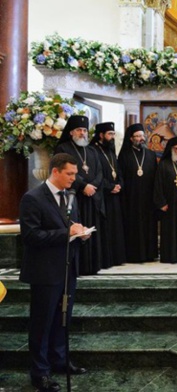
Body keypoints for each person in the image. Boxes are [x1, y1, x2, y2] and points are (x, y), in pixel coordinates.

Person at [19, 153, 89, 392]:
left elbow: (70, 228)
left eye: (75, 173)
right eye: (70, 173)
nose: (74, 178)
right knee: (43, 322)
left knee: (63, 319)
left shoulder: (70, 197)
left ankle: (59, 360)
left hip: (67, 269)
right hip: (45, 272)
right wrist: (67, 234)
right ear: (56, 171)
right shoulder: (33, 198)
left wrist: (81, 234)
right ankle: (40, 372)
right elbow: (30, 236)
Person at [54, 115, 103, 275]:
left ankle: (92, 266)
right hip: (73, 196)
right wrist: (84, 186)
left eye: (84, 130)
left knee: (91, 230)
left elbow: (100, 172)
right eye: (79, 130)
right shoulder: (63, 149)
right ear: (71, 132)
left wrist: (93, 186)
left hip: (92, 197)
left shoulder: (92, 150)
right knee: (76, 229)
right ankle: (79, 267)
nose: (82, 133)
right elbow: (63, 172)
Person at [117, 123, 159, 263]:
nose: (141, 138)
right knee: (133, 226)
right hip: (131, 198)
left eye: (142, 136)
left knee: (148, 225)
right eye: (137, 136)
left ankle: (150, 253)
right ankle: (134, 255)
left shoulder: (151, 154)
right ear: (131, 138)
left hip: (148, 198)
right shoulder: (124, 156)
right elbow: (120, 176)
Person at [90, 122, 125, 268]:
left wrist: (119, 185)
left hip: (115, 195)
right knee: (105, 227)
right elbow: (95, 175)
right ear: (101, 135)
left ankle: (116, 258)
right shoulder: (93, 151)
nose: (112, 137)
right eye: (110, 134)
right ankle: (106, 259)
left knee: (115, 227)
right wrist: (109, 187)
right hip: (102, 196)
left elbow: (118, 171)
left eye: (113, 134)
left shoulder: (111, 151)